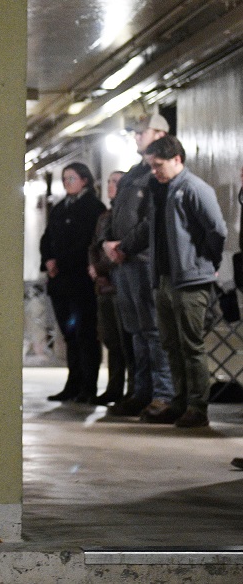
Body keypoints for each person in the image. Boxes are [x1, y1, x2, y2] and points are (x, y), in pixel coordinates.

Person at [116, 136, 227, 428]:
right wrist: (124, 246)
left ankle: (197, 407)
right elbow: (150, 229)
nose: (154, 171)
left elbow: (216, 230)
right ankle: (179, 403)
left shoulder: (194, 189)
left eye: (159, 165)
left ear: (177, 159)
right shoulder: (161, 191)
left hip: (190, 279)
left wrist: (207, 264)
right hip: (164, 279)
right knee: (170, 344)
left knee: (191, 345)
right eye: (151, 165)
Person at [102, 113, 175, 419]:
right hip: (124, 263)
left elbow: (151, 221)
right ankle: (140, 391)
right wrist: (108, 242)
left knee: (153, 330)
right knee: (135, 330)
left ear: (159, 133)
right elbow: (115, 210)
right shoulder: (133, 173)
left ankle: (163, 394)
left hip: (142, 261)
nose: (135, 137)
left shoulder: (158, 176)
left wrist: (125, 246)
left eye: (140, 133)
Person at [40, 162, 106, 403]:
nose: (67, 183)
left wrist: (63, 261)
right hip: (60, 282)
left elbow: (88, 242)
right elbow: (46, 238)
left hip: (80, 281)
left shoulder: (93, 208)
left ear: (84, 180)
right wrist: (48, 260)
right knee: (69, 335)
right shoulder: (59, 209)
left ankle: (88, 386)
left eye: (72, 178)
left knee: (85, 334)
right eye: (64, 179)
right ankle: (73, 383)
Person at [88, 171, 134, 405]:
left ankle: (134, 390)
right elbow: (95, 245)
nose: (110, 185)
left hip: (121, 286)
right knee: (111, 341)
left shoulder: (126, 215)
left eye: (115, 182)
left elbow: (117, 250)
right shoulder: (105, 216)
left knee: (128, 342)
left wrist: (101, 267)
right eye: (108, 181)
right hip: (104, 288)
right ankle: (114, 387)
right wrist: (93, 268)